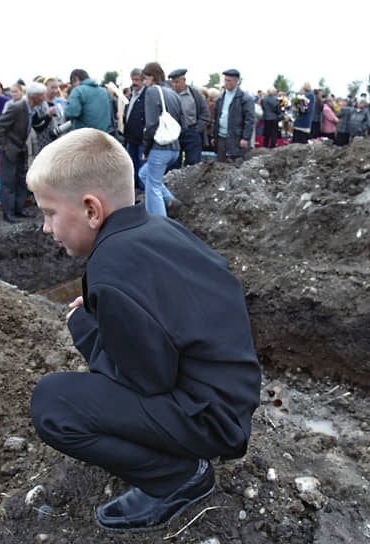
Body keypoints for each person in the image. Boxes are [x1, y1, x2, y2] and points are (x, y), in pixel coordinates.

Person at [27, 128, 261, 532]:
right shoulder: (157, 230)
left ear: (90, 210)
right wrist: (112, 316)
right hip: (230, 397)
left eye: (49, 213)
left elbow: (146, 380)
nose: (47, 228)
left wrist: (85, 329)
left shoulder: (110, 270)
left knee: (53, 404)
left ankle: (177, 478)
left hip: (210, 421)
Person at [0, 81, 46, 222]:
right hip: (10, 151)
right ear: (34, 96)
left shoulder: (31, 109)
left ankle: (19, 208)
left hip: (20, 149)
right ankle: (8, 212)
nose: (44, 98)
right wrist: (4, 147)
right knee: (8, 182)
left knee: (20, 181)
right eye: (42, 95)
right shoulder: (17, 108)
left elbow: (37, 125)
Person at [139, 61, 183, 217]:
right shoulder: (172, 93)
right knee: (144, 174)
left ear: (152, 77)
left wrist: (145, 149)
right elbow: (182, 122)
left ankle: (159, 225)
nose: (144, 83)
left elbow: (151, 125)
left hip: (159, 148)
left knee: (153, 188)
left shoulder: (152, 92)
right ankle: (170, 200)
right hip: (174, 148)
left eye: (145, 78)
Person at [167, 69, 210, 168]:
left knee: (193, 164)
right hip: (174, 134)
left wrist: (197, 129)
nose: (175, 85)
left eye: (177, 82)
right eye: (173, 82)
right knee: (173, 164)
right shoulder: (169, 95)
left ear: (184, 80)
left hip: (191, 131)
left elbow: (205, 114)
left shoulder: (195, 94)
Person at [211, 69, 254, 162]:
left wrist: (245, 138)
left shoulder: (245, 98)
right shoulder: (220, 98)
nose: (226, 83)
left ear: (236, 81)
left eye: (229, 80)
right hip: (221, 137)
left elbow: (249, 120)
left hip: (237, 138)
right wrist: (213, 136)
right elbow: (216, 119)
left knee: (236, 165)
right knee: (221, 165)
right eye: (225, 80)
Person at [123, 68, 147, 192]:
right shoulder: (132, 95)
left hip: (142, 138)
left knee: (142, 167)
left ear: (143, 81)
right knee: (132, 166)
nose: (134, 82)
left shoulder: (146, 95)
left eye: (137, 80)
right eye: (133, 79)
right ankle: (132, 191)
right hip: (131, 137)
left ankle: (142, 195)